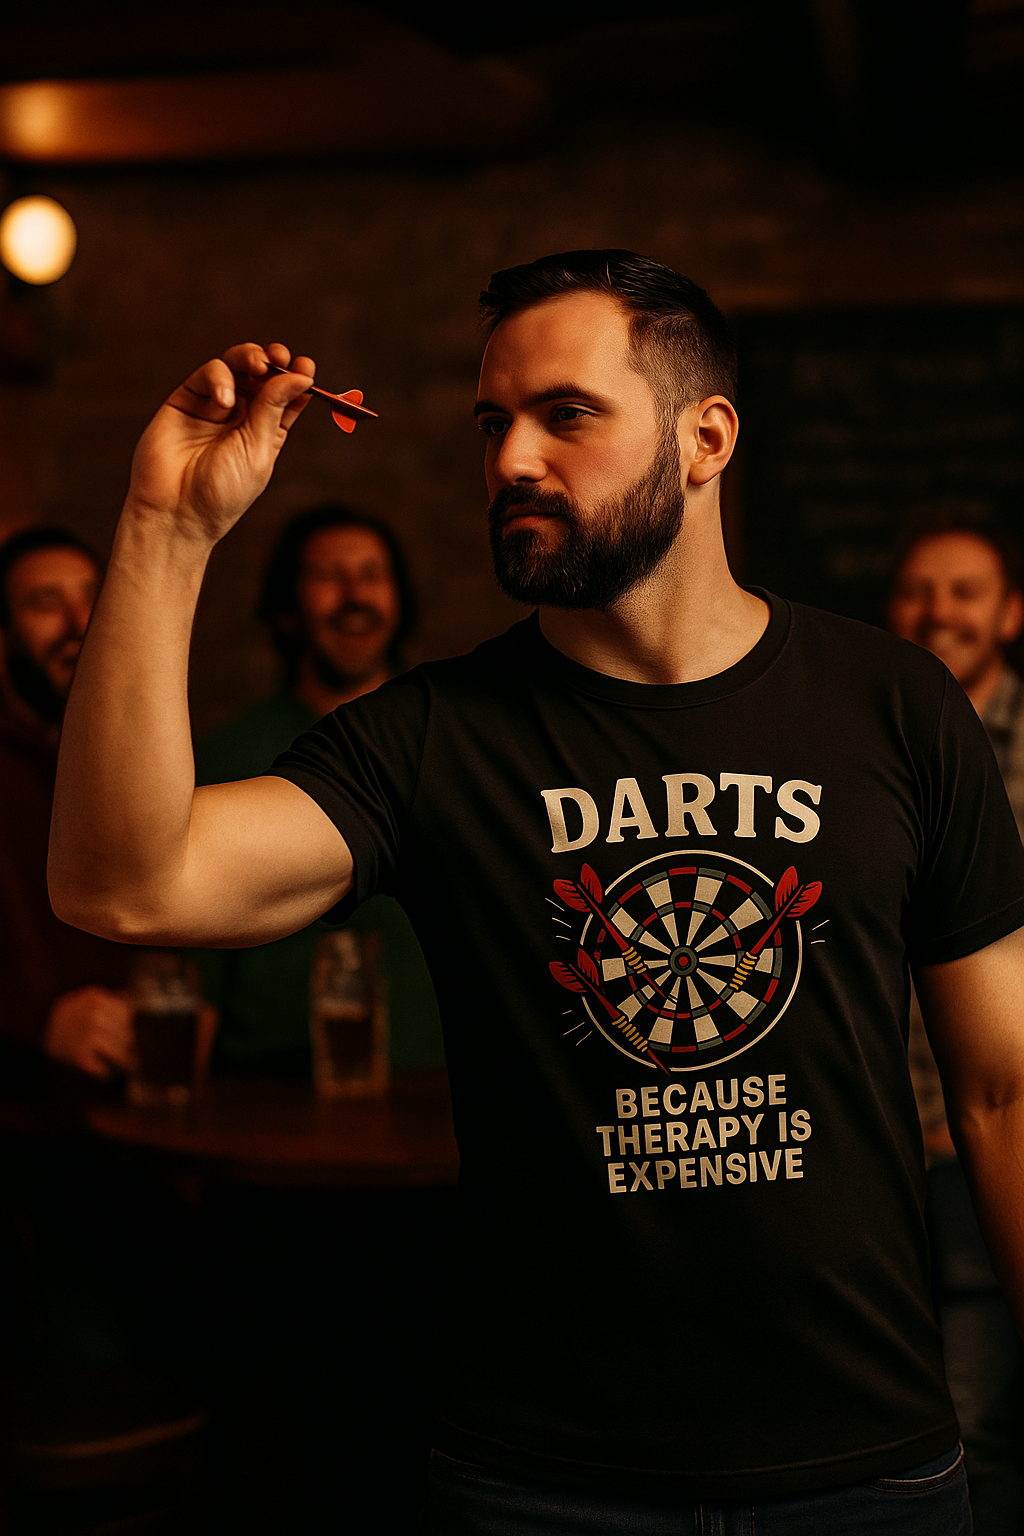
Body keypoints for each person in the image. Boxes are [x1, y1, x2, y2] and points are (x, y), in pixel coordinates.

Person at [48, 249, 1024, 1535]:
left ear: (705, 439)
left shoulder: (895, 705)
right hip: (539, 1488)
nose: (511, 459)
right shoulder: (430, 738)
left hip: (869, 1466)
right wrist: (166, 528)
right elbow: (123, 886)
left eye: (566, 414)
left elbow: (1003, 1092)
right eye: (490, 423)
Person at [195, 504, 443, 1078]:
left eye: (372, 574)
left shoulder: (453, 739)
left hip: (440, 1088)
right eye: (328, 576)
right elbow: (196, 969)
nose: (355, 595)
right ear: (287, 610)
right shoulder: (230, 757)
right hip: (265, 1090)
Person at [889, 510, 1024, 1535]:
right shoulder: (867, 741)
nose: (939, 611)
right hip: (879, 1156)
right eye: (918, 591)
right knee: (895, 1433)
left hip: (1003, 1142)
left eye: (965, 591)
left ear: (1009, 614)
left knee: (978, 1426)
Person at [0, 525, 133, 1079]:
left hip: (136, 1105)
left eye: (91, 598)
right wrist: (34, 1024)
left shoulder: (139, 752)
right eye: (45, 604)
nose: (80, 624)